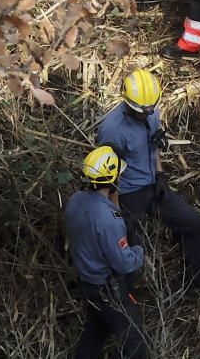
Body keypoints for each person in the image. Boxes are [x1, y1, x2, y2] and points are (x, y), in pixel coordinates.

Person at [96, 69, 200, 293]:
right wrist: (117, 212)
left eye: (150, 109)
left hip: (153, 185)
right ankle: (125, 297)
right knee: (128, 246)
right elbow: (108, 176)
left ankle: (196, 282)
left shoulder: (149, 110)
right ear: (128, 103)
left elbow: (153, 145)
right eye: (142, 111)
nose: (147, 113)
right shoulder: (112, 130)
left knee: (193, 223)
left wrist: (160, 176)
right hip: (128, 193)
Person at [64, 145, 149, 359]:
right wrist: (139, 251)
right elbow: (124, 263)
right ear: (112, 180)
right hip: (107, 288)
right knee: (134, 339)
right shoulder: (108, 220)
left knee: (96, 330)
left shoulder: (75, 201)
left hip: (88, 282)